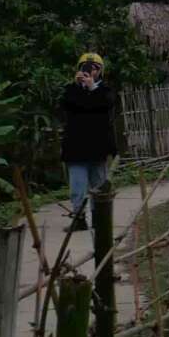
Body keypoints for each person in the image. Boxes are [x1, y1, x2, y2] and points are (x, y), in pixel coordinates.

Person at [58, 52, 122, 231]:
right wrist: (79, 86)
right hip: (76, 149)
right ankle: (79, 218)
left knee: (99, 187)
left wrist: (92, 87)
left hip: (98, 148)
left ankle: (99, 219)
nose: (91, 71)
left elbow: (106, 105)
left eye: (95, 68)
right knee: (77, 188)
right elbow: (66, 105)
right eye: (86, 68)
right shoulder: (71, 90)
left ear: (101, 72)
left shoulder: (105, 91)